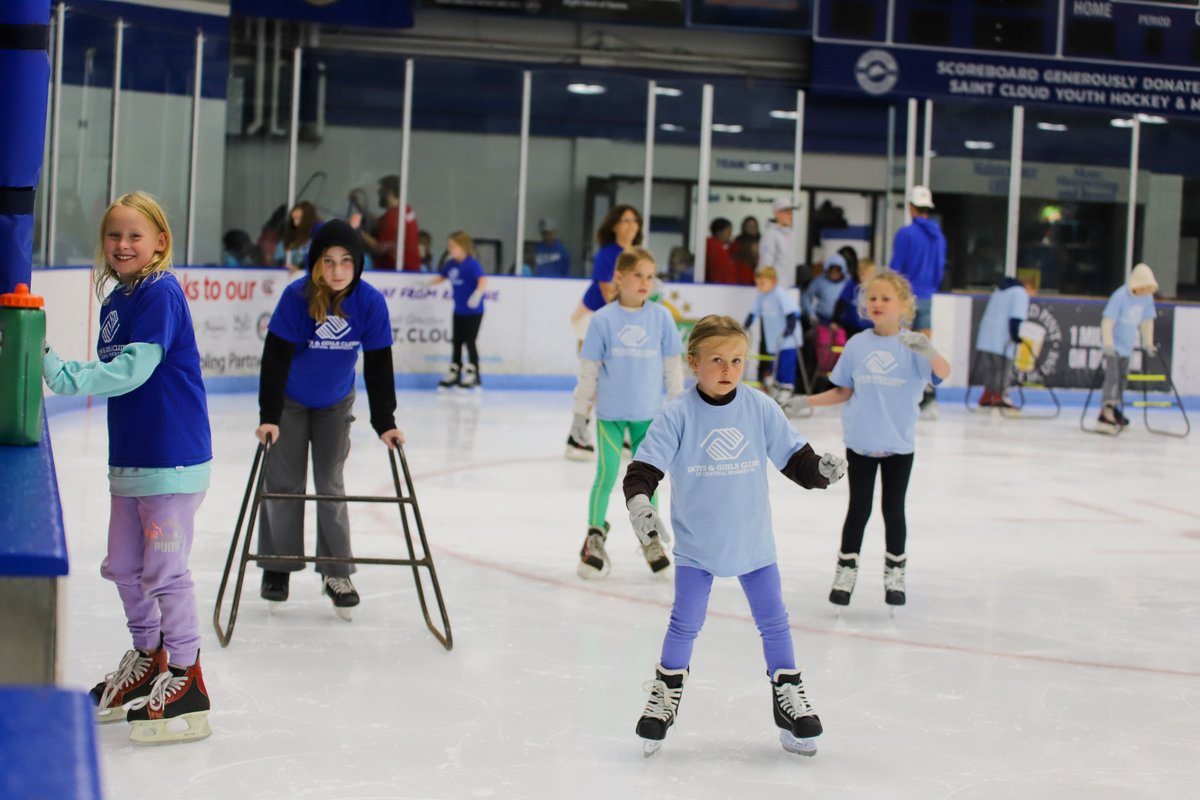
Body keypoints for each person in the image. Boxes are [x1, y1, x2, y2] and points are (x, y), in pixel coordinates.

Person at [622, 315, 846, 757]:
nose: (728, 369)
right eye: (718, 360)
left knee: (774, 621)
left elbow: (795, 457)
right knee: (685, 622)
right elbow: (643, 471)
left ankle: (790, 699)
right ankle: (664, 696)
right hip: (697, 547)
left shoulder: (759, 407)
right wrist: (640, 505)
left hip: (753, 543)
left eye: (738, 360)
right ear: (693, 363)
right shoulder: (678, 414)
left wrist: (819, 470)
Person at [42, 191, 213, 744]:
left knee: (165, 571)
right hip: (133, 459)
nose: (122, 244)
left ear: (160, 242)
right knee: (123, 565)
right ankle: (148, 658)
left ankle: (187, 677)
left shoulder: (161, 293)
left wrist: (65, 375)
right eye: (114, 235)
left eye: (135, 235)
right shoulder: (118, 297)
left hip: (173, 457)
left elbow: (134, 371)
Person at [255, 219, 403, 619]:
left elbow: (378, 363)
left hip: (335, 403)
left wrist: (384, 420)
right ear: (316, 263)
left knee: (330, 483)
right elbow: (275, 358)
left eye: (346, 261)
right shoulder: (296, 297)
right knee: (284, 482)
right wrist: (269, 415)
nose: (337, 270)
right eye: (328, 261)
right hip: (290, 401)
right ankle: (278, 565)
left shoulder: (369, 303)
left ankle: (337, 573)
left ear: (357, 264)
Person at [789, 270, 950, 610]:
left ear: (904, 305)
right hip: (860, 443)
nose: (877, 304)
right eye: (872, 298)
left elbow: (942, 374)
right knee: (858, 509)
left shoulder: (912, 345)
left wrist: (929, 349)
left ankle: (895, 574)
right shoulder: (857, 344)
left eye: (885, 298)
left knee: (893, 510)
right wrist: (808, 401)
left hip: (898, 445)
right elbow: (844, 390)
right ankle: (845, 574)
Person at [571, 248, 684, 580]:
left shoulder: (661, 317)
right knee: (606, 477)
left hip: (649, 418)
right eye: (638, 275)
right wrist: (580, 414)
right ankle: (594, 537)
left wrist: (677, 410)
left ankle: (650, 538)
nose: (645, 282)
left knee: (647, 482)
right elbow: (589, 371)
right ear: (619, 278)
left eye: (650, 276)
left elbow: (672, 370)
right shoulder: (603, 320)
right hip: (610, 416)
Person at [565, 204, 643, 460]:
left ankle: (619, 437)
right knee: (594, 379)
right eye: (625, 220)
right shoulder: (608, 254)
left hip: (615, 322)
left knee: (620, 379)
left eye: (635, 220)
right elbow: (608, 292)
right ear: (614, 225)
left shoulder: (636, 254)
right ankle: (576, 436)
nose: (631, 225)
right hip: (593, 320)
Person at [889, 185, 946, 419]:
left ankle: (901, 394)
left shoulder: (906, 234)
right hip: (928, 295)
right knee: (924, 348)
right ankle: (929, 394)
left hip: (907, 297)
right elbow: (940, 269)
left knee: (902, 346)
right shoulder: (939, 237)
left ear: (911, 207)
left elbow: (896, 269)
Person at [1096, 263, 1158, 434]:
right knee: (1113, 378)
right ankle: (1105, 411)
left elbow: (1147, 322)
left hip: (1127, 347)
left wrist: (1148, 343)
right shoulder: (1120, 296)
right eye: (1142, 288)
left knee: (1123, 379)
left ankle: (1114, 408)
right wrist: (1108, 344)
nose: (1144, 291)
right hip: (1113, 347)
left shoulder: (1147, 298)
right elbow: (1107, 322)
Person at [430, 231, 488, 390]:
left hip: (474, 312)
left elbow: (482, 280)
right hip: (459, 311)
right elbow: (442, 277)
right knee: (456, 342)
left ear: (463, 247)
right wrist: (426, 283)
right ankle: (455, 371)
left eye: (452, 246)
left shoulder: (471, 264)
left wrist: (478, 293)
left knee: (470, 341)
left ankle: (473, 373)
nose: (450, 250)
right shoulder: (451, 264)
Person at [744, 266, 803, 408]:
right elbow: (753, 312)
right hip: (773, 339)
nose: (759, 286)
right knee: (774, 364)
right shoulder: (761, 296)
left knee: (786, 363)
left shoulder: (779, 294)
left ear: (773, 282)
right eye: (757, 283)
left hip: (787, 338)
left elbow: (792, 313)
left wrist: (790, 328)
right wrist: (746, 325)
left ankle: (787, 387)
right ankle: (776, 386)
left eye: (762, 283)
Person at [974, 277, 1035, 412]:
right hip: (1002, 338)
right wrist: (1016, 335)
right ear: (1029, 287)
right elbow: (1016, 317)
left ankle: (988, 394)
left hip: (986, 336)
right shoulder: (1020, 293)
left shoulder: (999, 291)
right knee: (1003, 368)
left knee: (991, 369)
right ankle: (999, 395)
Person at [352, 175, 421, 272]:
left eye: (381, 190)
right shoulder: (405, 211)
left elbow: (379, 248)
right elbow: (378, 222)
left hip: (396, 274)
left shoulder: (394, 217)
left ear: (389, 191)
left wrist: (358, 230)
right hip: (408, 272)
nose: (378, 193)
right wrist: (358, 205)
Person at [833, 256, 877, 336]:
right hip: (852, 326)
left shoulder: (876, 287)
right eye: (861, 274)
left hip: (870, 327)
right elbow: (841, 302)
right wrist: (835, 321)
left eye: (866, 274)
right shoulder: (851, 284)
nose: (862, 277)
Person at [802, 253, 847, 327]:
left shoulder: (847, 283)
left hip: (842, 323)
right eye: (832, 270)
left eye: (837, 270)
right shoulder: (820, 281)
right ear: (828, 269)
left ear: (842, 271)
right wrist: (811, 314)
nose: (834, 273)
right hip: (822, 321)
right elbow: (806, 296)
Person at [276, 201, 319, 273]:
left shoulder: (319, 230)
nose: (295, 223)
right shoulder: (303, 234)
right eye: (294, 219)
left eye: (299, 218)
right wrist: (298, 266)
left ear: (308, 218)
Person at [758, 199, 798, 277]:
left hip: (787, 285)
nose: (790, 215)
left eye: (791, 212)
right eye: (787, 212)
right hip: (775, 285)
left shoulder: (789, 234)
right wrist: (768, 285)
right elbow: (766, 262)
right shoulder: (770, 234)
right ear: (776, 213)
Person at [705, 217, 737, 284]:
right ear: (719, 232)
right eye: (728, 231)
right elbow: (717, 272)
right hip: (720, 288)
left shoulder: (718, 247)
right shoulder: (714, 247)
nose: (730, 235)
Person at [732, 216, 760, 285]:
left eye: (754, 226)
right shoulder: (738, 242)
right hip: (742, 277)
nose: (752, 228)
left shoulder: (762, 241)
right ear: (744, 227)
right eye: (749, 226)